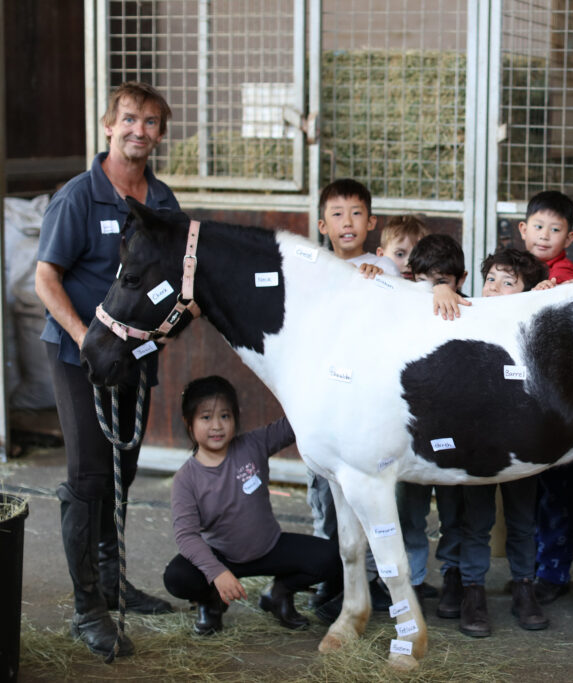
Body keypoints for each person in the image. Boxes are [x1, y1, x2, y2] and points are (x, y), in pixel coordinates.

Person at [35, 81, 177, 658]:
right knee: (90, 477)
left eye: (149, 122)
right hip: (78, 355)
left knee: (122, 470)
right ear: (107, 125)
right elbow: (46, 279)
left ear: (159, 134)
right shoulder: (78, 196)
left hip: (135, 357)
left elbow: (174, 284)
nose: (137, 130)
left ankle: (114, 582)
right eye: (128, 119)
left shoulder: (163, 202)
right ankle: (87, 608)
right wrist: (83, 337)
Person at [163, 376, 342, 635]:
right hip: (222, 555)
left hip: (270, 547)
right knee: (177, 577)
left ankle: (278, 593)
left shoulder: (252, 445)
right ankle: (210, 603)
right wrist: (217, 573)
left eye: (225, 416)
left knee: (331, 557)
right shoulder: (186, 479)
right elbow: (186, 536)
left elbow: (293, 426)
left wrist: (321, 386)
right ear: (188, 423)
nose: (217, 426)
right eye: (205, 417)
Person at [307, 178, 402, 620]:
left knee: (370, 500)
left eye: (357, 213)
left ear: (372, 222)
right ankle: (333, 581)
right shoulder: (312, 268)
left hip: (368, 407)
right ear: (323, 224)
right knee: (327, 503)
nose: (348, 222)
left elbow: (398, 314)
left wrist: (378, 279)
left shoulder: (384, 268)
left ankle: (377, 583)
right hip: (327, 405)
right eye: (338, 214)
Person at [455, 248, 551, 636]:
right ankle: (472, 591)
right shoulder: (466, 316)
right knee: (476, 522)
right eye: (491, 278)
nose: (494, 288)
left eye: (508, 282)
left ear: (527, 292)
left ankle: (524, 587)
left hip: (522, 443)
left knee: (523, 521)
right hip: (478, 443)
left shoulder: (533, 326)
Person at [514, 191, 573, 605]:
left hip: (560, 404)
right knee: (531, 495)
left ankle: (553, 573)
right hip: (528, 402)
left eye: (555, 229)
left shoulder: (565, 276)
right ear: (523, 230)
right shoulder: (518, 268)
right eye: (538, 227)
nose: (545, 235)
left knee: (559, 492)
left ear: (570, 237)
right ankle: (530, 570)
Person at [396, 234, 469, 623]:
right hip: (412, 435)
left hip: (457, 436)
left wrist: (444, 290)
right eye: (425, 280)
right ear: (411, 278)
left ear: (462, 279)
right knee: (411, 513)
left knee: (454, 513)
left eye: (444, 280)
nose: (435, 290)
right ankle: (414, 579)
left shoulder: (475, 311)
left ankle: (453, 577)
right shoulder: (401, 308)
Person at [376, 213, 429, 278]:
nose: (408, 263)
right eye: (400, 254)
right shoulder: (372, 280)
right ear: (381, 255)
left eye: (417, 255)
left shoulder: (431, 286)